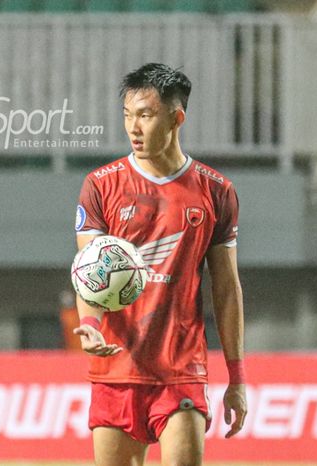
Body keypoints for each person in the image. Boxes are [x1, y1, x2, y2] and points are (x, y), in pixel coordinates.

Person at [73, 63, 247, 466]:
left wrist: (236, 377)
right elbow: (90, 274)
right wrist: (91, 327)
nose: (134, 127)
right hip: (117, 366)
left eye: (146, 116)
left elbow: (226, 288)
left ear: (176, 117)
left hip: (180, 367)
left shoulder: (216, 191)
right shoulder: (101, 185)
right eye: (128, 115)